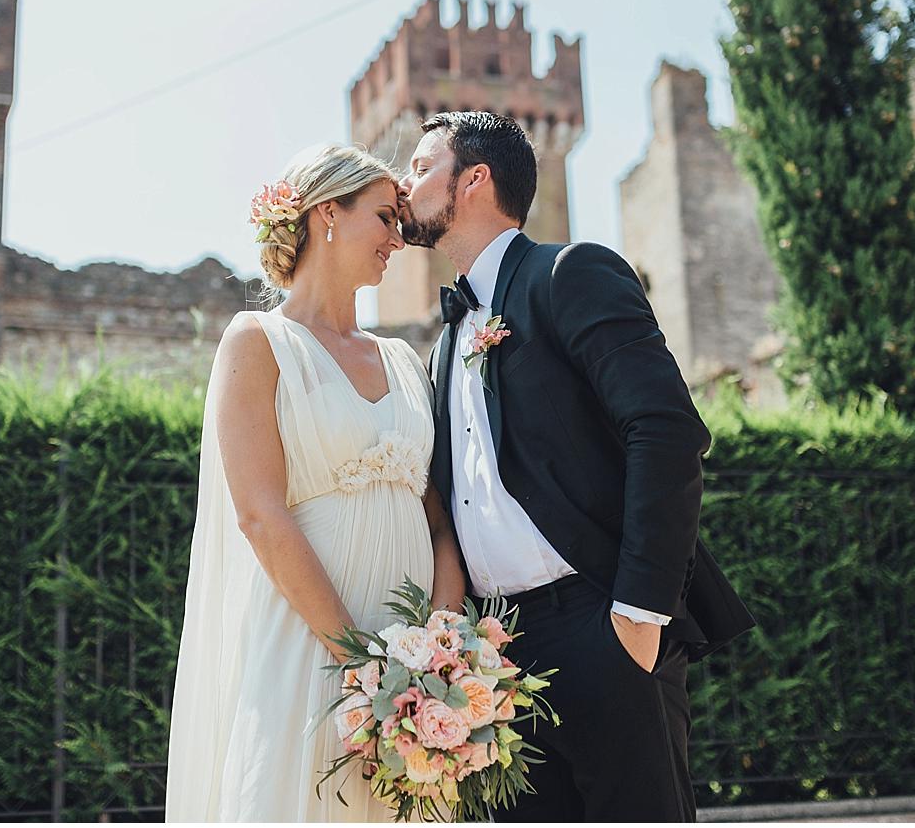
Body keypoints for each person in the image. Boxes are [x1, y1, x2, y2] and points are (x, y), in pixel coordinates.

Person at [398, 111, 756, 822]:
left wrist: (637, 615)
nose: (403, 184)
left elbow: (667, 429)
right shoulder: (443, 343)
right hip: (495, 656)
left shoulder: (570, 273)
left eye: (419, 166)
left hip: (603, 627)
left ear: (474, 180)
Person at [165, 144, 466, 822]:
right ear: (328, 212)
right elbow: (261, 516)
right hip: (311, 649)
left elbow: (440, 519)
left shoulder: (404, 359)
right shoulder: (257, 342)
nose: (399, 238)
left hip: (414, 659)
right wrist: (361, 667)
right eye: (385, 217)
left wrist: (439, 652)